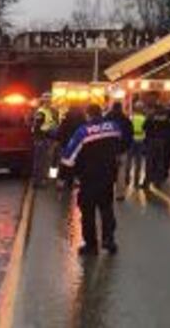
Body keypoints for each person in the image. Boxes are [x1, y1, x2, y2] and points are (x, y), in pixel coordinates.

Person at [61, 103, 123, 255]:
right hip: (108, 175)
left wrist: (65, 177)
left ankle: (91, 245)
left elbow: (68, 157)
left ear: (88, 115)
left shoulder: (83, 132)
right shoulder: (113, 127)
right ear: (100, 113)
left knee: (88, 212)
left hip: (89, 177)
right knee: (106, 208)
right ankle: (109, 240)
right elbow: (120, 144)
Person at [104, 101, 133, 199]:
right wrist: (126, 148)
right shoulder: (126, 120)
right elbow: (130, 135)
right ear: (121, 108)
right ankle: (120, 194)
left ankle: (107, 192)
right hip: (121, 150)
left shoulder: (107, 118)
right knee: (121, 171)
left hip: (108, 150)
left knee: (107, 171)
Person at [31, 94, 59, 187]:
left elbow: (53, 123)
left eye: (49, 101)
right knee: (40, 162)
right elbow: (37, 128)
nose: (49, 102)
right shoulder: (41, 112)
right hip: (42, 139)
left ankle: (45, 180)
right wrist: (50, 131)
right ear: (43, 101)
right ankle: (37, 181)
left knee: (47, 161)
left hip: (48, 139)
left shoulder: (51, 111)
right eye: (47, 101)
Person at [56, 107, 86, 190]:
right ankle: (75, 181)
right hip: (79, 146)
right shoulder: (83, 120)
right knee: (78, 163)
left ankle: (61, 182)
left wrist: (60, 140)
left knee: (64, 163)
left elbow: (60, 132)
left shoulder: (66, 119)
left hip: (66, 145)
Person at [142, 104, 169, 188]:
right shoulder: (165, 117)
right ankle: (158, 182)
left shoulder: (151, 116)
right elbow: (168, 128)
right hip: (161, 141)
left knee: (150, 161)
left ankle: (147, 181)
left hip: (151, 140)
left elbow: (144, 126)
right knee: (159, 161)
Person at [125, 100, 147, 187]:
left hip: (131, 140)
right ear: (142, 109)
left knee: (129, 160)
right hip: (141, 141)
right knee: (138, 161)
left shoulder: (131, 118)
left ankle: (127, 179)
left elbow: (127, 129)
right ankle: (136, 182)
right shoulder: (144, 119)